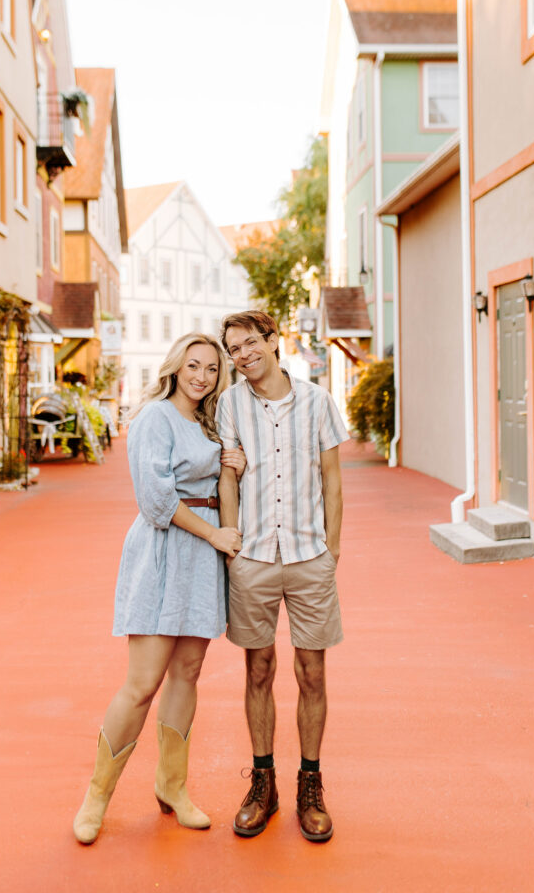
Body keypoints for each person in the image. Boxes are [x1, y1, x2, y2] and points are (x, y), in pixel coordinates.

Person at [72, 333, 244, 845]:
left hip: (202, 558)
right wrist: (214, 532)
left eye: (212, 369)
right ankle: (96, 796)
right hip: (165, 552)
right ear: (176, 366)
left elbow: (217, 486)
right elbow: (155, 501)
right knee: (143, 682)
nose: (202, 376)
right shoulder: (154, 417)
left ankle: (172, 786)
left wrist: (236, 467)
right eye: (193, 365)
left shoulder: (209, 422)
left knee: (188, 673)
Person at [216, 310, 349, 843]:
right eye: (235, 350)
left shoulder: (318, 402)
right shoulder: (229, 404)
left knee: (312, 674)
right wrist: (233, 548)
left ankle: (310, 784)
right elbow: (229, 477)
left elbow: (333, 482)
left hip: (308, 556)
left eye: (250, 344)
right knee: (258, 671)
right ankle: (263, 782)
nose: (243, 355)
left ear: (274, 341)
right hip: (254, 558)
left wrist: (331, 554)